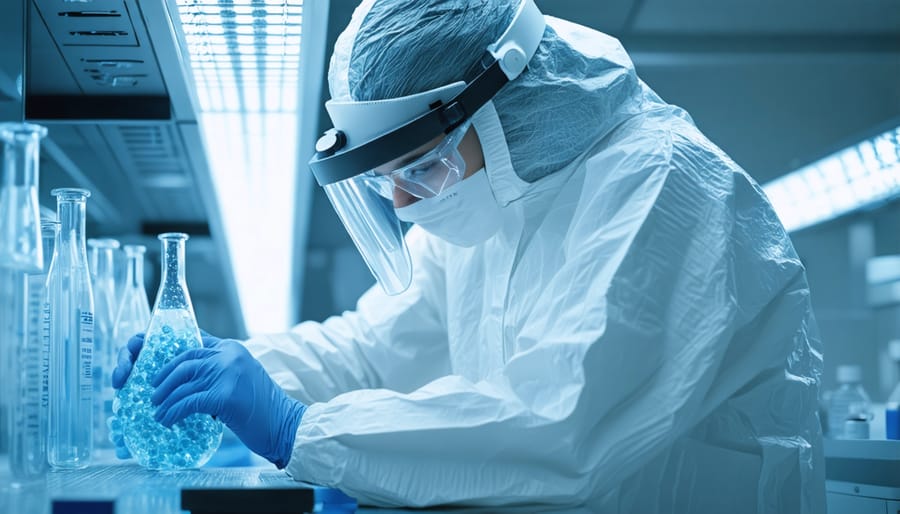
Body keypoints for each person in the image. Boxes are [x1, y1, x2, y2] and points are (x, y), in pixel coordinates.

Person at [110, 0, 826, 511]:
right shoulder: (493, 200)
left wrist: (297, 428)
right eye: (386, 180)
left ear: (502, 106)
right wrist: (230, 368)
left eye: (419, 166)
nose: (402, 204)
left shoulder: (662, 187)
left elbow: (557, 424)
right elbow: (372, 351)